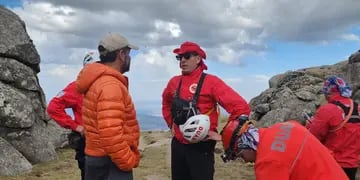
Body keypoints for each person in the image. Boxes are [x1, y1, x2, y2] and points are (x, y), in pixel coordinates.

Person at [162, 41, 251, 180]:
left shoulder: (211, 82)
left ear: (198, 59)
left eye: (187, 56)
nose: (182, 60)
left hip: (202, 146)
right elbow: (166, 102)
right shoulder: (174, 82)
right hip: (178, 144)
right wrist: (171, 124)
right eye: (179, 57)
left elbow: (241, 108)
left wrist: (222, 136)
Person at [76, 32, 140, 180]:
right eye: (129, 54)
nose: (130, 58)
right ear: (121, 54)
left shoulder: (98, 80)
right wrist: (127, 161)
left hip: (97, 158)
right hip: (110, 162)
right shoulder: (111, 85)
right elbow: (110, 133)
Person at [220, 118, 349, 180]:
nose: (246, 162)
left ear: (245, 144)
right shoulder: (287, 125)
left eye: (240, 156)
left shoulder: (267, 162)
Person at [47, 51, 98, 180]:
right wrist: (76, 127)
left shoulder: (108, 86)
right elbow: (53, 107)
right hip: (87, 143)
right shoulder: (76, 88)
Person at [306, 75, 360, 180]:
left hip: (332, 163)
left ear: (329, 92)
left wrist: (310, 124)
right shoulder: (357, 108)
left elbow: (312, 138)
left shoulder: (327, 109)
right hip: (352, 164)